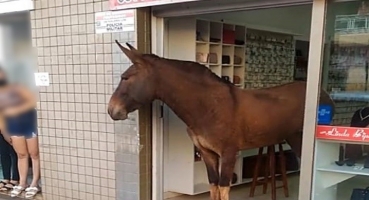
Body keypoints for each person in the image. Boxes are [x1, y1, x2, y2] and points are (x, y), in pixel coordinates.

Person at [0, 68, 40, 198]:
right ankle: (22, 183)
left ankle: (34, 183)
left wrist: (16, 110)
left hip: (29, 122)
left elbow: (31, 102)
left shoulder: (20, 87)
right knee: (21, 154)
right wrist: (4, 130)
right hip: (13, 125)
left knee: (34, 154)